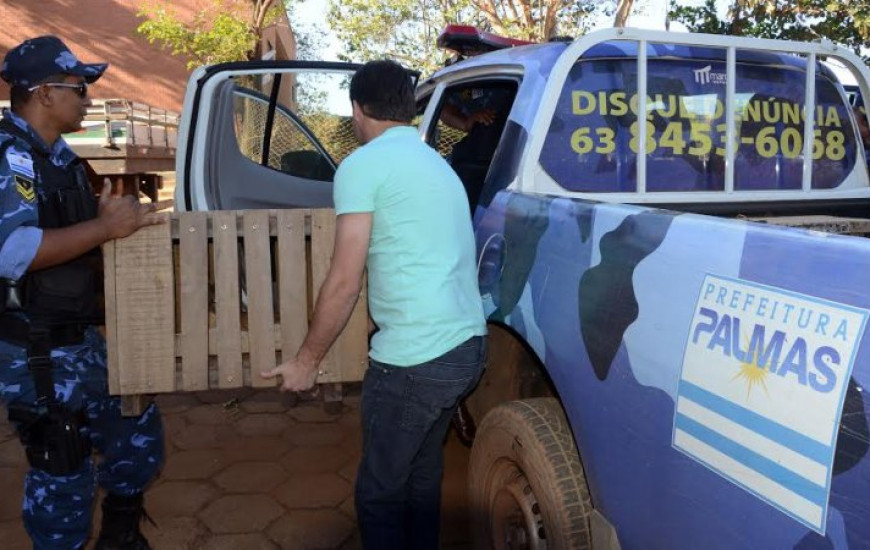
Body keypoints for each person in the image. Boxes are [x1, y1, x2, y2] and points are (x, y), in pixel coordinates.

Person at [262, 60, 487, 550]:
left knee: (380, 492)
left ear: (358, 110)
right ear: (407, 110)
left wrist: (306, 362)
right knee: (421, 478)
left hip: (415, 360)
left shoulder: (362, 166)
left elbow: (345, 279)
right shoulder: (436, 163)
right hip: (466, 348)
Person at [0, 36, 165, 550]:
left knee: (136, 426)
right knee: (63, 463)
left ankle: (120, 535)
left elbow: (72, 225)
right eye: (77, 87)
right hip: (35, 350)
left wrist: (115, 219)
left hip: (77, 336)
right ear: (43, 93)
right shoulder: (11, 157)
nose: (87, 97)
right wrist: (105, 230)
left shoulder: (59, 156)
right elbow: (13, 253)